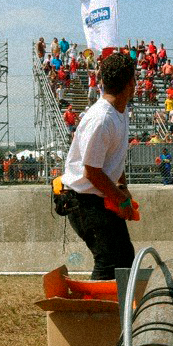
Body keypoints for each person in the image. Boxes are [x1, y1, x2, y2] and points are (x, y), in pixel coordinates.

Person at [59, 52, 137, 279]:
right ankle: (94, 312)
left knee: (124, 259)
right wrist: (120, 199)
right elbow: (91, 171)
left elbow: (111, 159)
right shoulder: (102, 119)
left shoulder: (119, 113)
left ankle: (114, 310)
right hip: (82, 200)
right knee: (109, 261)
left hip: (98, 197)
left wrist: (123, 188)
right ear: (130, 83)